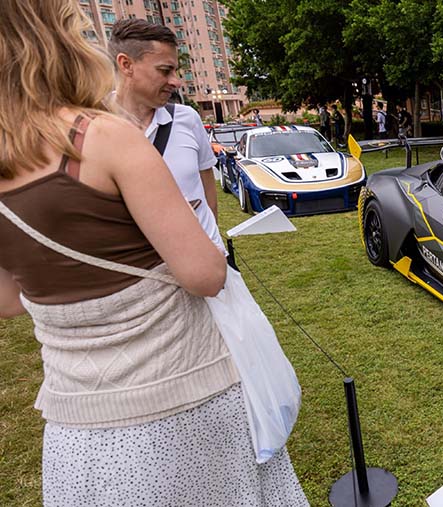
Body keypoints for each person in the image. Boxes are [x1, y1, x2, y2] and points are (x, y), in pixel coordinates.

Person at [0, 1, 309, 506]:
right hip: (174, 403)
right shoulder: (102, 137)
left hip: (75, 427)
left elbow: (9, 298)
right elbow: (205, 274)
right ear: (59, 38)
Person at [110, 19, 223, 252]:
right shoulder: (90, 127)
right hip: (144, 276)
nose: (176, 81)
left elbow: (207, 187)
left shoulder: (188, 119)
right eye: (165, 71)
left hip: (207, 269)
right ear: (126, 64)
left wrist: (213, 246)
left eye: (176, 71)